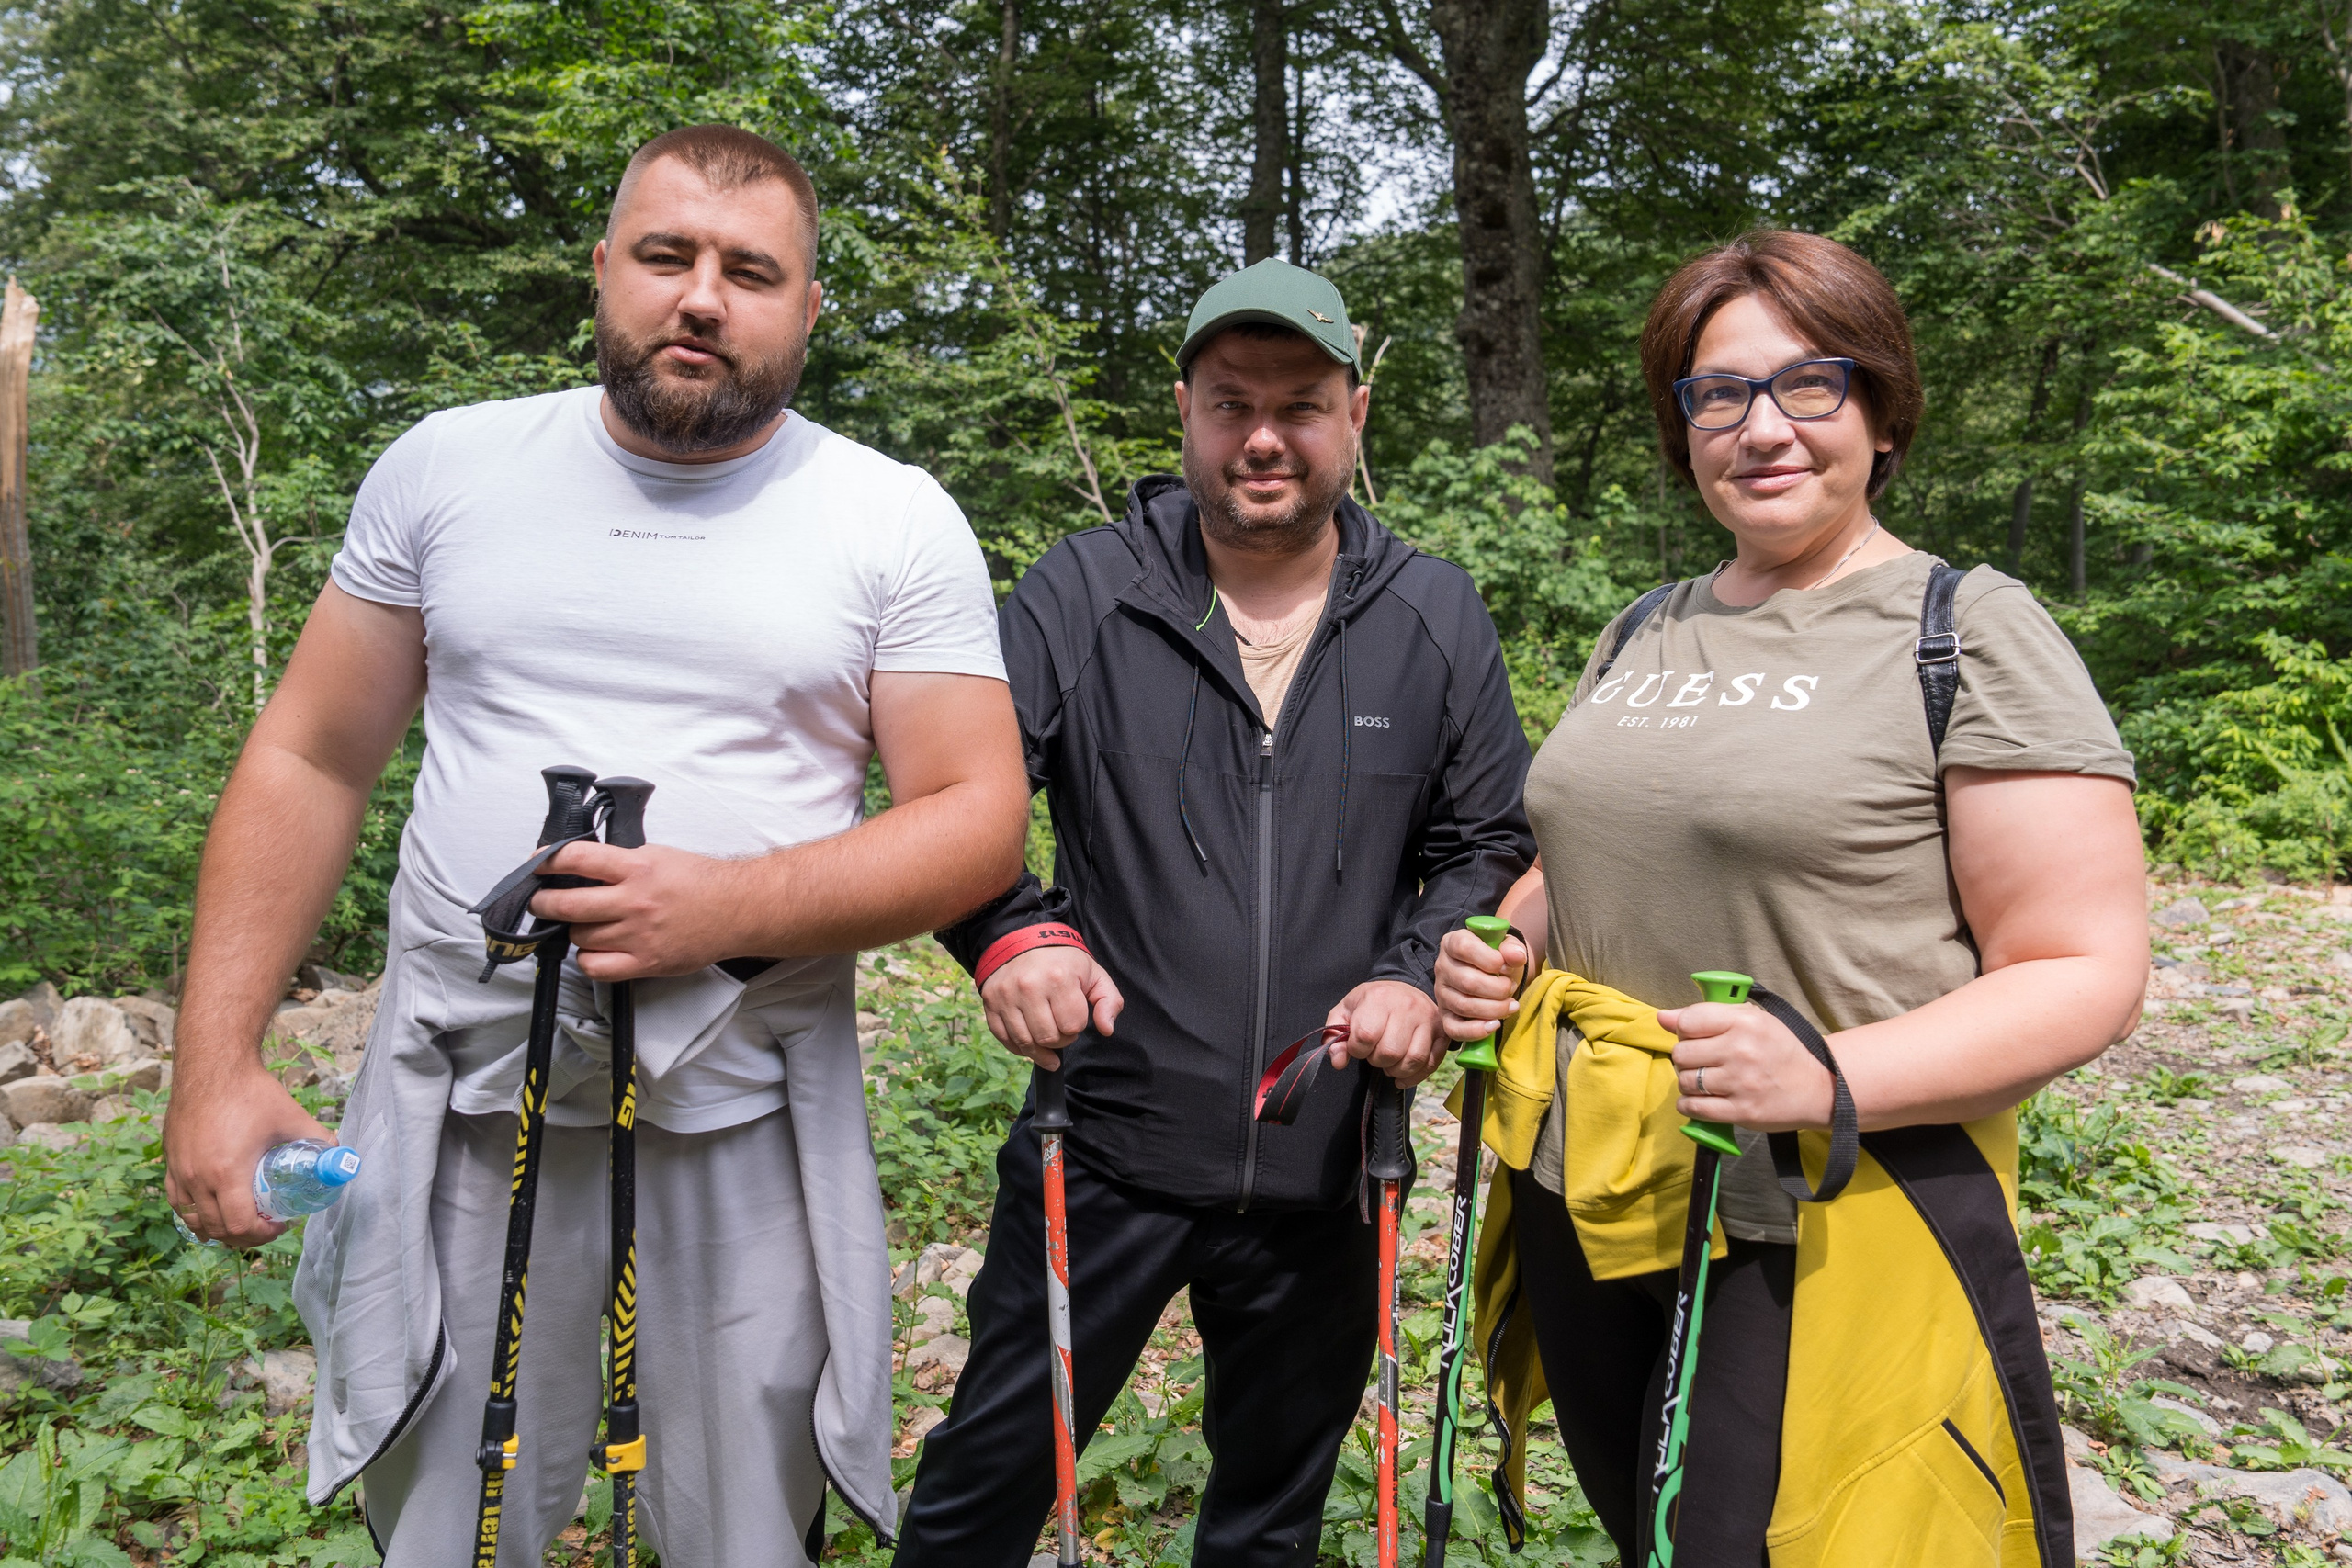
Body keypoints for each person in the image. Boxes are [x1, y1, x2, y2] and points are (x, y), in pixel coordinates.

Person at [159, 124, 1031, 1567]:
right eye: (666, 254)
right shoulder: (449, 467)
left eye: (752, 271)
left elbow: (974, 819)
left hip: (738, 1117)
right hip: (457, 1100)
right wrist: (216, 1061)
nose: (703, 296)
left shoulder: (889, 517)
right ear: (602, 270)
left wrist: (723, 906)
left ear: (809, 306)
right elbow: (310, 756)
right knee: (441, 1521)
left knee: (744, 1533)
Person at [1433, 230, 2146, 1565]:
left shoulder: (1966, 627)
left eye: (1807, 384)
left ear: (1881, 412)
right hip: (1591, 1183)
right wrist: (1507, 948)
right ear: (1683, 426)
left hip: (1819, 1203)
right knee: (1647, 1532)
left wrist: (1829, 1072)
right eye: (1718, 394)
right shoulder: (1646, 626)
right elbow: (1581, 851)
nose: (1761, 428)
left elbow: (2082, 966)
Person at [891, 258, 1535, 1565]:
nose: (1261, 436)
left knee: (1269, 1524)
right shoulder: (1083, 592)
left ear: (1356, 414)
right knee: (984, 1487)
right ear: (1183, 408)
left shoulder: (1434, 614)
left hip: (1331, 1159)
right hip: (1107, 1139)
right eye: (1230, 400)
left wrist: (1421, 968)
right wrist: (1009, 932)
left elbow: (1486, 841)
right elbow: (958, 804)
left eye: (1299, 403)